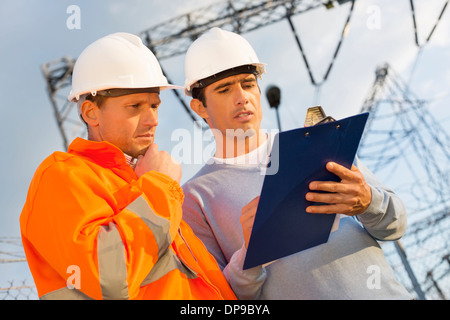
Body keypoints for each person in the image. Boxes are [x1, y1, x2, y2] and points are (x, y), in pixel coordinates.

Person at [181, 27, 412, 299]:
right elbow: (220, 296)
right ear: (200, 108)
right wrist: (250, 253)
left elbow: (395, 226)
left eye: (248, 83)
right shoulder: (194, 198)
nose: (242, 97)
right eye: (224, 89)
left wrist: (368, 201)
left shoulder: (321, 142)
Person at [19, 32, 236, 300]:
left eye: (155, 106)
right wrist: (160, 187)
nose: (152, 120)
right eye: (135, 106)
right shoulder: (60, 177)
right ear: (91, 113)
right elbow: (110, 279)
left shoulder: (143, 185)